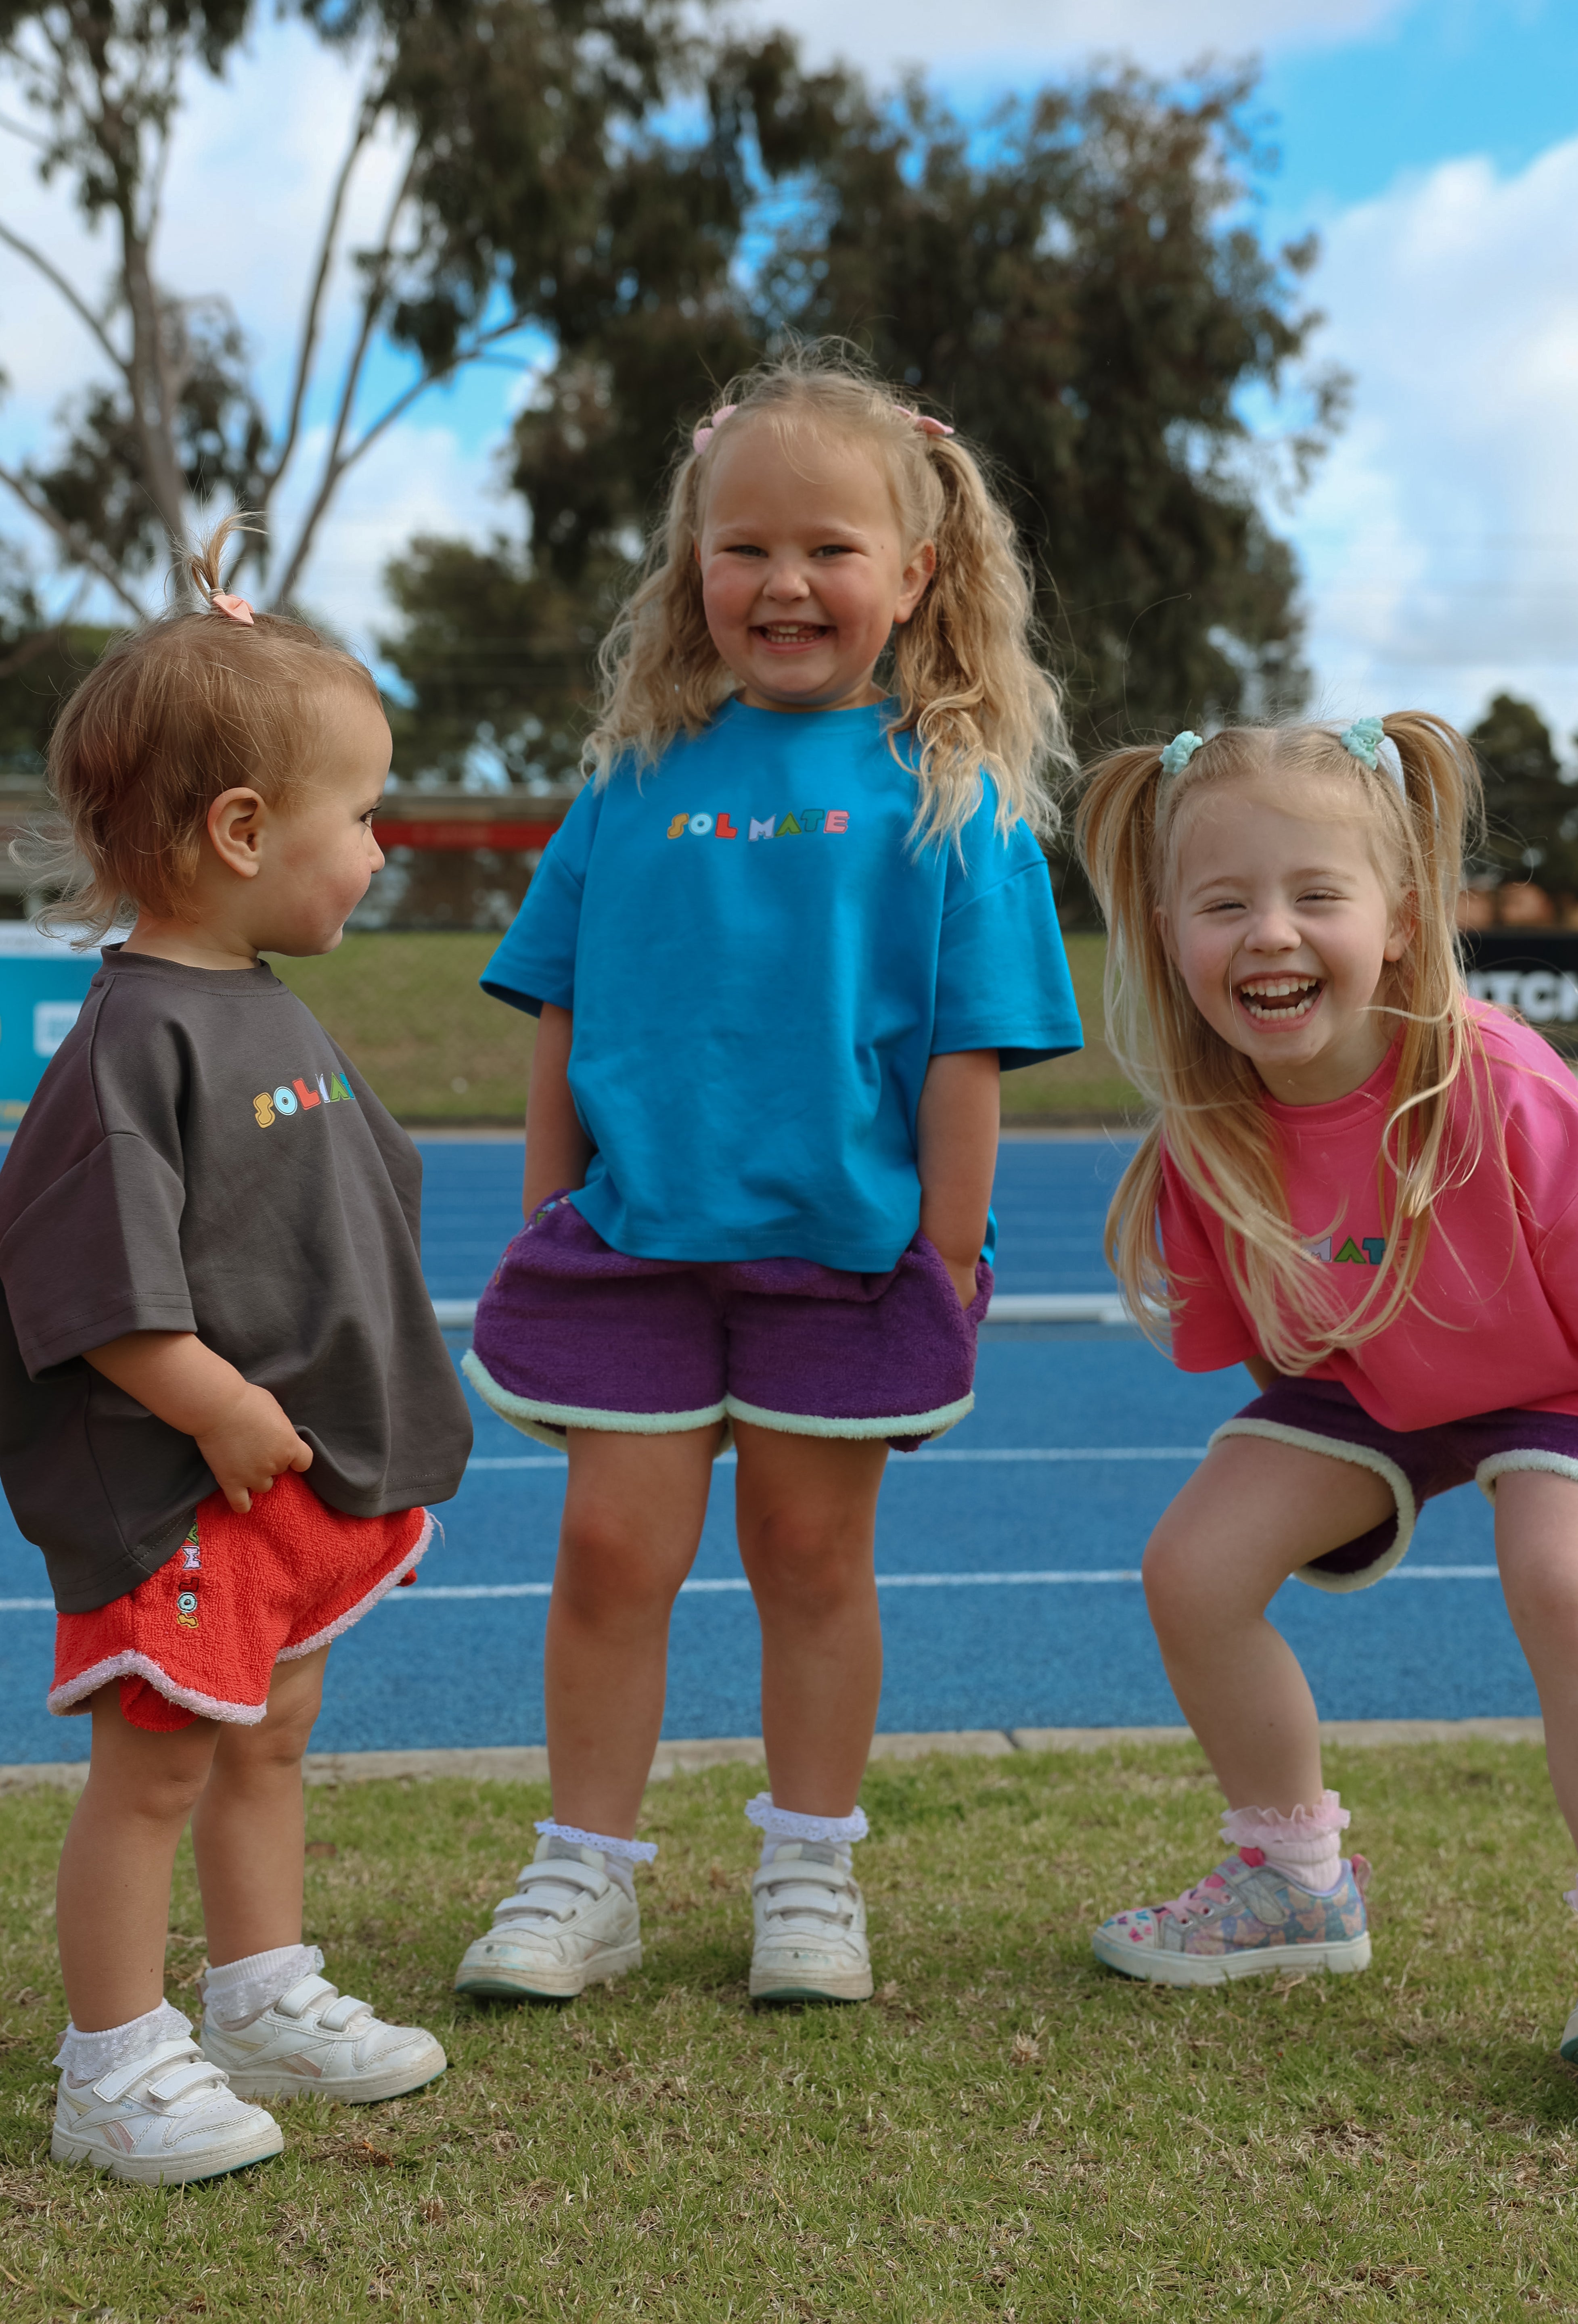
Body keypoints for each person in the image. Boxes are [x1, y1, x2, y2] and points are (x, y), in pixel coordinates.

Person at [455, 345, 1083, 2006]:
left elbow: (967, 1056)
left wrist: (948, 1256)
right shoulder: (630, 781)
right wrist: (543, 1214)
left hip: (850, 1261)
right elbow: (562, 1014)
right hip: (634, 1247)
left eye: (829, 548)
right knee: (611, 1555)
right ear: (694, 567)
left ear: (917, 573)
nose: (784, 582)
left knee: (809, 1561)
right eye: (744, 547)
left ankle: (810, 1868)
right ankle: (586, 1873)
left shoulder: (955, 802)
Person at [0, 521, 473, 2183]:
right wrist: (215, 1407)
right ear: (245, 829)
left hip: (275, 1475)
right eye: (361, 816)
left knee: (271, 1728)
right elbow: (82, 1275)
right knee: (154, 1766)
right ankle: (115, 2064)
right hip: (181, 1485)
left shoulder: (267, 1001)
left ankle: (260, 1992)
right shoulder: (132, 1039)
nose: (380, 850)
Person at [1077, 713, 1578, 2047]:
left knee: (1563, 1580)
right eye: (1224, 904)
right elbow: (1273, 1355)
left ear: (1403, 920)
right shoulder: (1211, 1135)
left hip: (1561, 1378)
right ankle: (1294, 1884)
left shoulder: (1501, 1085)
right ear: (1167, 933)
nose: (1271, 935)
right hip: (1373, 1386)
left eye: (1316, 896)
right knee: (1193, 1568)